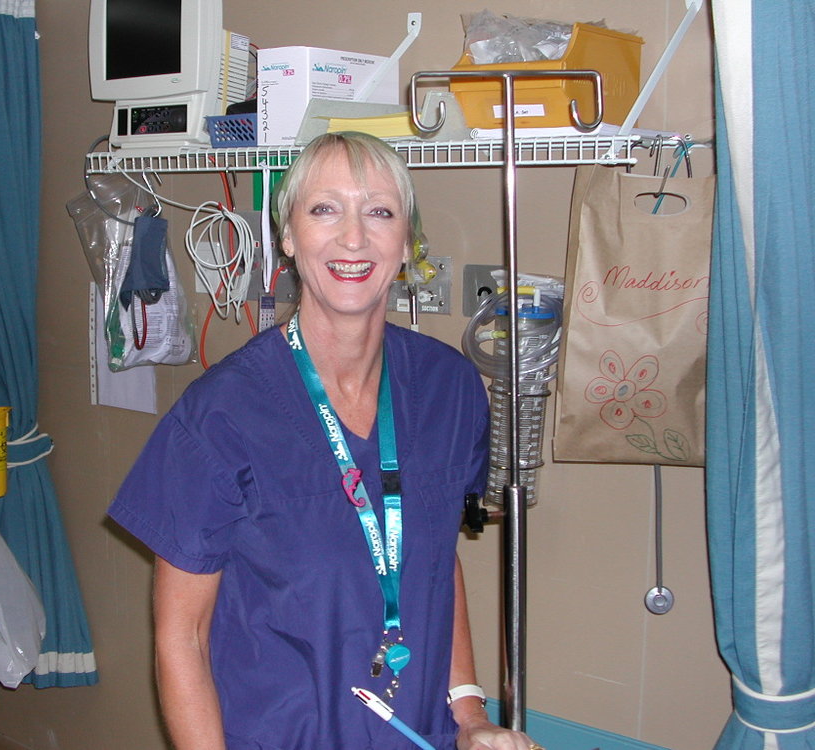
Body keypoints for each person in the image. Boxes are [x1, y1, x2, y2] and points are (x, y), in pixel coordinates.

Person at [108, 132, 539, 750]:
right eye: (324, 209)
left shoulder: (451, 389)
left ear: (407, 240)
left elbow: (435, 562)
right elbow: (183, 638)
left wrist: (469, 715)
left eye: (380, 211)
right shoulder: (220, 417)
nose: (354, 238)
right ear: (287, 236)